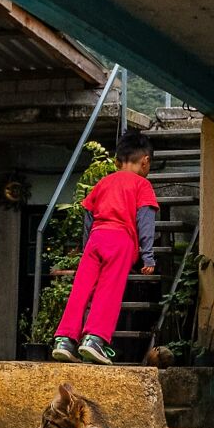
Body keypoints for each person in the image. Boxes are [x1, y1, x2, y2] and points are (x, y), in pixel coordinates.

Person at [52, 130, 159, 365]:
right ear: (145, 161)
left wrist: (86, 246)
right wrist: (148, 257)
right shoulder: (142, 185)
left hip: (95, 240)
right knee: (108, 291)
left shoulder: (102, 183)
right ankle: (94, 339)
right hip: (120, 241)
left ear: (118, 161)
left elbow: (88, 216)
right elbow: (145, 221)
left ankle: (65, 340)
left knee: (81, 289)